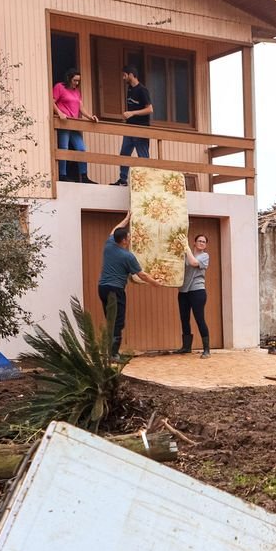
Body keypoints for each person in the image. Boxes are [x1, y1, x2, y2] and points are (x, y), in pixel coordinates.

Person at [97, 214, 158, 357]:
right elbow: (141, 274)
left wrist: (127, 218)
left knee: (110, 319)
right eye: (128, 237)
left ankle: (110, 352)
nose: (130, 238)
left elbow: (115, 229)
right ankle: (113, 354)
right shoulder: (127, 256)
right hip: (115, 290)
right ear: (124, 241)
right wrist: (155, 283)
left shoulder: (109, 244)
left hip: (102, 288)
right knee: (117, 322)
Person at [52, 68, 97, 184]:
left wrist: (90, 117)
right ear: (69, 78)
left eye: (78, 81)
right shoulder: (59, 87)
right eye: (75, 80)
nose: (76, 83)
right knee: (64, 148)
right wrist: (59, 113)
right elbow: (51, 101)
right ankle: (62, 175)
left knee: (81, 149)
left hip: (74, 123)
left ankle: (84, 176)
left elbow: (81, 107)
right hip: (64, 122)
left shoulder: (77, 92)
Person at [111, 65, 153, 186]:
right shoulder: (129, 89)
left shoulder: (142, 90)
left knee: (143, 156)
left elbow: (150, 109)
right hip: (129, 127)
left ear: (130, 74)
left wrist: (132, 113)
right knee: (124, 153)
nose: (123, 78)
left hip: (141, 128)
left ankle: (146, 182)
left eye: (124, 75)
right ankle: (123, 180)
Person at [174, 232, 211, 358]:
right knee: (184, 319)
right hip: (183, 291)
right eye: (199, 241)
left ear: (205, 246)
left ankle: (206, 349)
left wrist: (186, 247)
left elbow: (193, 263)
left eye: (204, 242)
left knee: (199, 319)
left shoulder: (204, 256)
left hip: (197, 291)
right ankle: (186, 347)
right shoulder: (185, 254)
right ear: (194, 242)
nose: (201, 243)